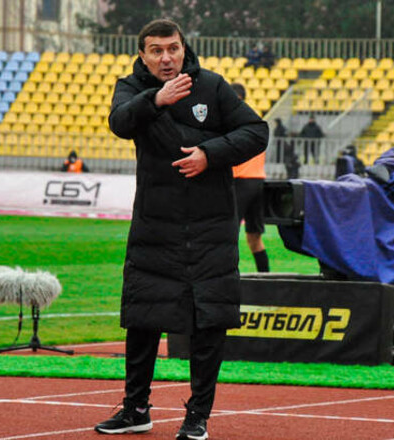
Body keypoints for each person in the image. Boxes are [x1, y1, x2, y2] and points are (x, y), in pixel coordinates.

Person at [95, 19, 268, 439]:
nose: (166, 57)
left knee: (209, 322)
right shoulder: (131, 88)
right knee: (142, 319)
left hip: (211, 227)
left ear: (184, 48)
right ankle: (136, 409)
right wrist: (156, 99)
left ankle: (197, 417)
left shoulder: (211, 85)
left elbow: (256, 131)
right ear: (143, 56)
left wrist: (210, 153)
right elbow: (119, 122)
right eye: (156, 50)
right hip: (154, 225)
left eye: (172, 48)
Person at [230, 83, 270, 273]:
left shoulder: (232, 120)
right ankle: (266, 279)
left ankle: (228, 278)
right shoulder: (254, 119)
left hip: (240, 181)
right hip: (257, 181)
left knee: (228, 234)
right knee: (254, 237)